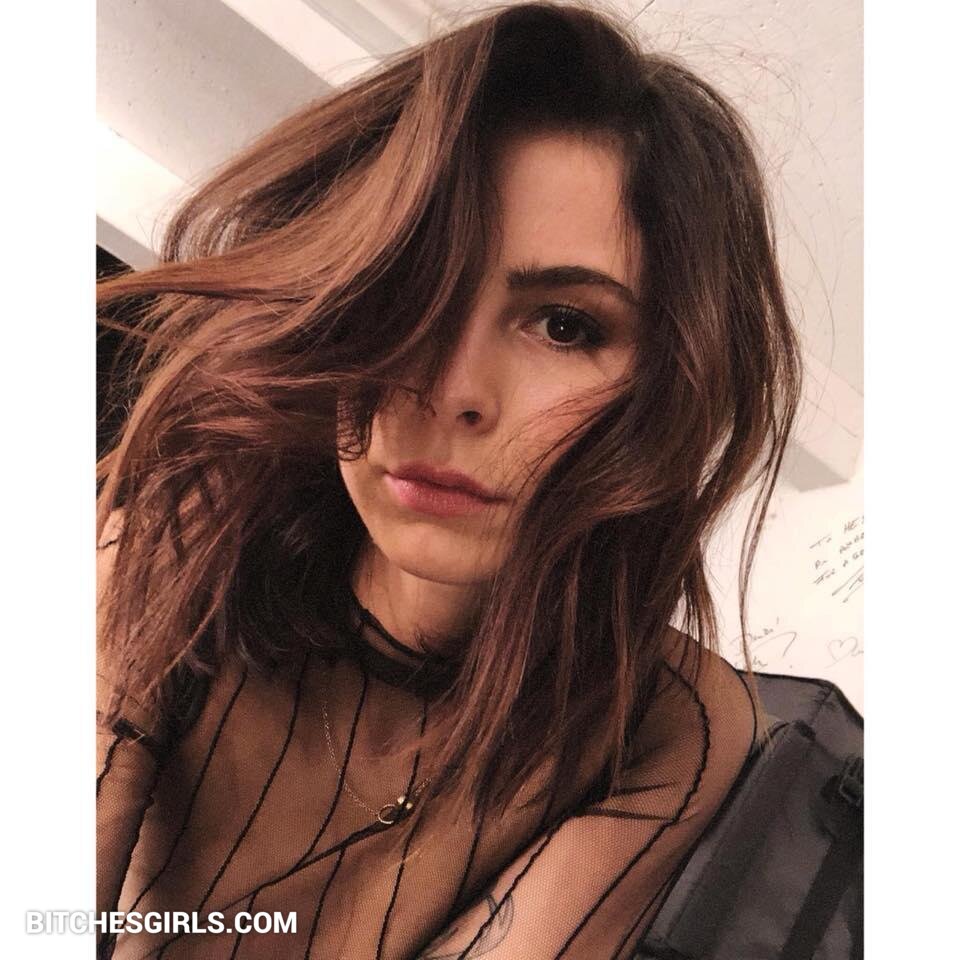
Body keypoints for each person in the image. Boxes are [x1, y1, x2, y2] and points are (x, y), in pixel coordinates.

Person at [95, 2, 802, 957]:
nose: (453, 391)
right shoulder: (183, 532)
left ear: (672, 383)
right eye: (406, 290)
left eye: (565, 325)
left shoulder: (666, 726)